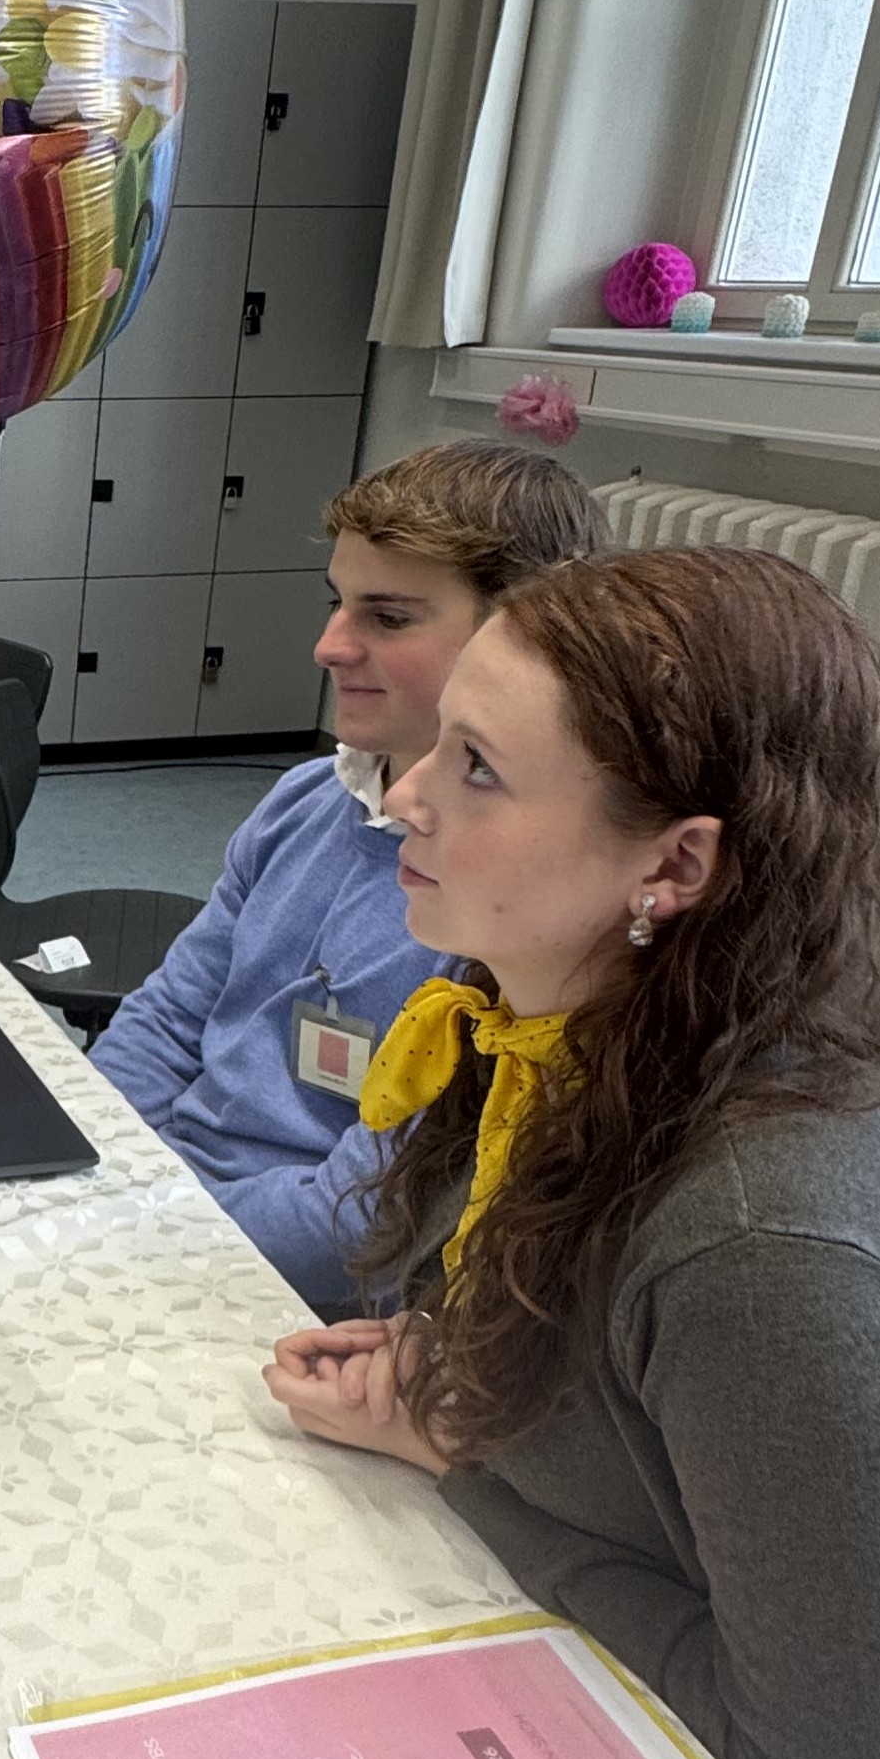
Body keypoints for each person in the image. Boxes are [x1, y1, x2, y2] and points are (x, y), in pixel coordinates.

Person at [263, 547, 880, 1759]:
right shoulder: (552, 1023)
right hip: (572, 1682)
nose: (403, 792)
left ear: (672, 862)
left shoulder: (765, 1254)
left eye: (475, 766)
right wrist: (446, 1362)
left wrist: (461, 1458)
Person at [91, 442, 604, 1313]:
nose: (329, 646)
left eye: (388, 618)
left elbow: (365, 1217)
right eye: (336, 604)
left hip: (273, 1285)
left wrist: (135, 1234)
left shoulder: (506, 906)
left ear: (517, 638)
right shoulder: (303, 799)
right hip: (154, 1212)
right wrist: (85, 1157)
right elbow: (171, 1015)